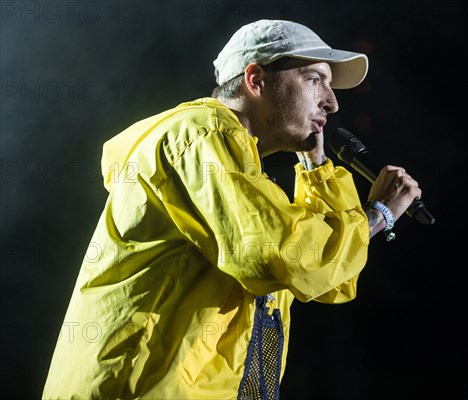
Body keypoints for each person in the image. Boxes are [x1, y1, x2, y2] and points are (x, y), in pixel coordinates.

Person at [42, 19, 422, 399]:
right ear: (255, 80)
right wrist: (378, 215)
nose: (332, 101)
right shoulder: (199, 135)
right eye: (313, 80)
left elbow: (331, 281)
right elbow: (282, 254)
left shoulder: (241, 175)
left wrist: (317, 166)